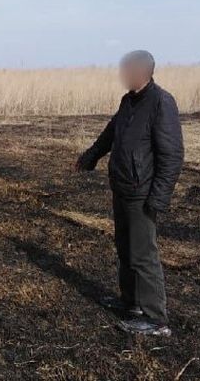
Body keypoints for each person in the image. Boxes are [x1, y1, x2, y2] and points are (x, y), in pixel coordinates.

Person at [75, 50, 184, 337]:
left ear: (144, 72)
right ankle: (131, 303)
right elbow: (111, 133)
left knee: (143, 255)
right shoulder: (128, 101)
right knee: (125, 250)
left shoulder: (161, 102)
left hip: (142, 194)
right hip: (121, 187)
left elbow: (172, 156)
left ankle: (156, 319)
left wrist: (158, 198)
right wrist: (91, 156)